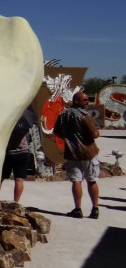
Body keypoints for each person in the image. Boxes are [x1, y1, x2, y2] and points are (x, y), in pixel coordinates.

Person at [53, 90, 101, 218]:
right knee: (92, 180)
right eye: (84, 100)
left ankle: (78, 209)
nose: (87, 102)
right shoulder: (84, 116)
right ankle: (95, 208)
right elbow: (95, 134)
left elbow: (56, 132)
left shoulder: (62, 115)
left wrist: (70, 139)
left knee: (76, 181)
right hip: (88, 152)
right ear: (76, 101)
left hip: (72, 152)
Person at [1, 110, 34, 203]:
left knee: (1, 178)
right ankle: (16, 202)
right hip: (23, 153)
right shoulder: (25, 124)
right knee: (19, 179)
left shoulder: (9, 123)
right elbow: (29, 140)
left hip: (9, 153)